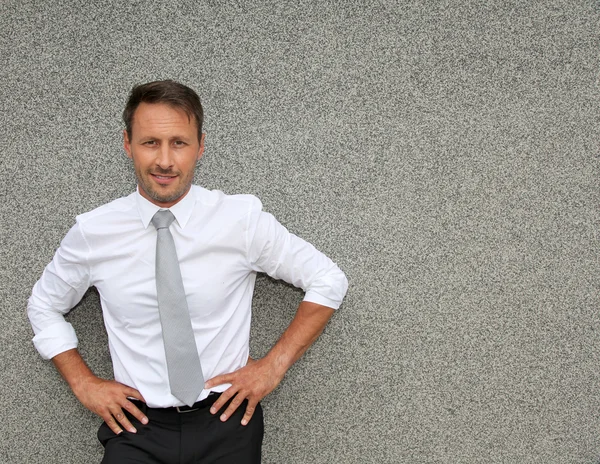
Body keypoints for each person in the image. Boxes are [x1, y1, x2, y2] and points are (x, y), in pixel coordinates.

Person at [27, 80, 348, 463]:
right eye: (150, 143)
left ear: (200, 146)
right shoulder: (94, 232)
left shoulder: (238, 221)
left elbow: (328, 280)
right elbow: (43, 305)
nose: (165, 160)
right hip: (135, 428)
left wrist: (272, 367)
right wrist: (84, 383)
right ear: (127, 144)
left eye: (179, 142)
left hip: (226, 424)